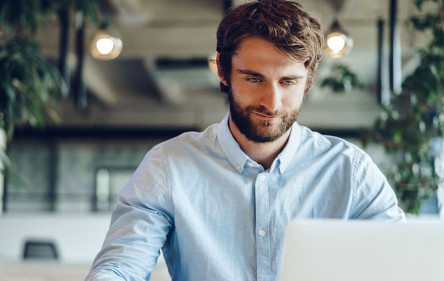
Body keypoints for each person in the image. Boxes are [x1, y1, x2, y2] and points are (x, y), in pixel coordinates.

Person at [85, 1, 406, 280]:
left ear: (307, 81)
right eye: (254, 79)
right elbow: (122, 265)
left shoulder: (351, 169)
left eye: (288, 81)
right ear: (224, 72)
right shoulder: (169, 165)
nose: (272, 102)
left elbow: (399, 263)